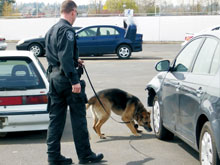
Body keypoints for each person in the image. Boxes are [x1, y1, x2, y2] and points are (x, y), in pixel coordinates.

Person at [45, 0, 104, 164]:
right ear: (72, 12)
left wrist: (74, 60)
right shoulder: (67, 30)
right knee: (78, 118)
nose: (76, 16)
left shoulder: (51, 30)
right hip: (66, 80)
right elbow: (64, 57)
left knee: (55, 119)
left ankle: (53, 156)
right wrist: (74, 80)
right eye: (76, 13)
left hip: (54, 78)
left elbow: (56, 56)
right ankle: (85, 156)